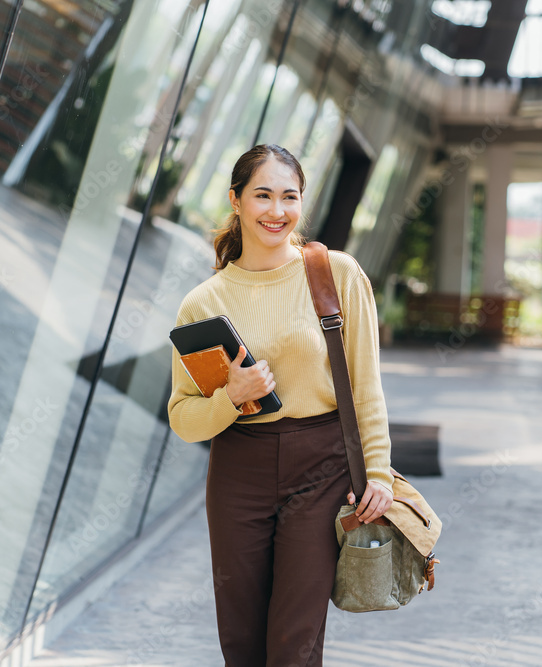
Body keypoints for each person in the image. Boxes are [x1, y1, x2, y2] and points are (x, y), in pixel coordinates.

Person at [167, 143, 394, 666]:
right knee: (242, 641)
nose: (277, 211)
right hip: (238, 472)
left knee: (295, 641)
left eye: (289, 196)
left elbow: (366, 386)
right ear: (236, 201)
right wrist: (231, 398)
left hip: (322, 469)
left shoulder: (337, 275)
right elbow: (183, 418)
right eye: (262, 195)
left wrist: (377, 473)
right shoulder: (204, 304)